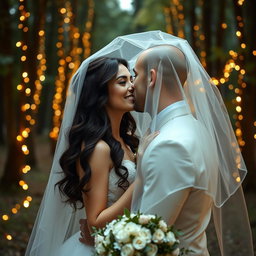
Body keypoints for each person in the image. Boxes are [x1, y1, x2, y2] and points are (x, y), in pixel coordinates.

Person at [25, 56, 138, 256]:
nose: (132, 86)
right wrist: (143, 180)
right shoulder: (98, 148)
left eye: (132, 79)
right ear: (100, 91)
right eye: (123, 82)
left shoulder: (126, 140)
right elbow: (94, 224)